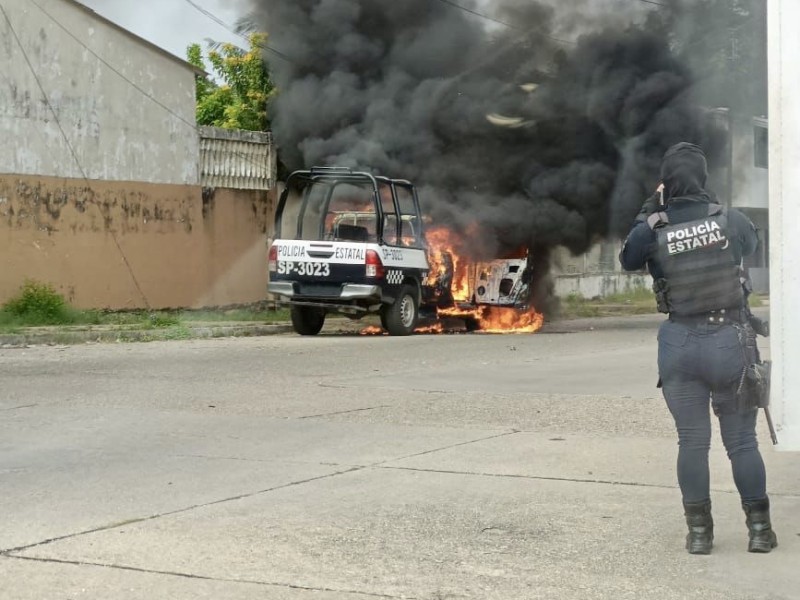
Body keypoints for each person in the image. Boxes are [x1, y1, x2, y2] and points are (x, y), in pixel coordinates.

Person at [619, 142, 778, 555]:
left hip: (680, 345)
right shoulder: (729, 219)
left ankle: (699, 535)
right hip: (730, 342)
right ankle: (760, 531)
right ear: (704, 179)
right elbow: (750, 246)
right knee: (742, 443)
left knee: (692, 442)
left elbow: (628, 259)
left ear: (666, 182)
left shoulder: (653, 226)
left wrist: (650, 208)